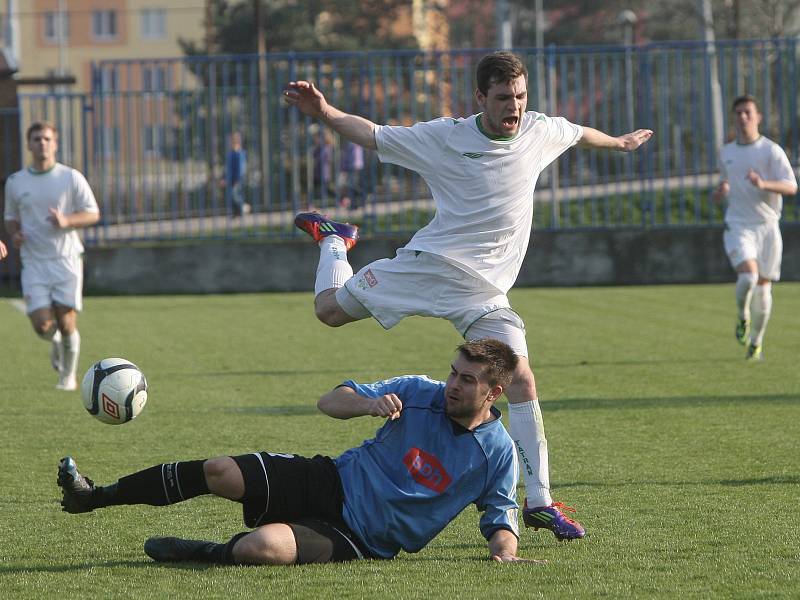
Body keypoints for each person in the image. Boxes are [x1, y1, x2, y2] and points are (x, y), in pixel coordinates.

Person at [284, 51, 654, 540]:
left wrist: (621, 142)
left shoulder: (538, 130)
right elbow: (372, 134)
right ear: (480, 97)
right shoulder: (445, 136)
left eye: (520, 96)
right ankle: (335, 238)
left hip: (483, 294)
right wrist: (327, 113)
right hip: (429, 266)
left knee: (520, 375)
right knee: (328, 311)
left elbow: (581, 132)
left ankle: (540, 501)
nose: (514, 107)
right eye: (503, 98)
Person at [57, 339, 547, 565]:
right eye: (453, 372)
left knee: (259, 548)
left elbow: (500, 517)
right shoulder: (418, 392)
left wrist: (506, 555)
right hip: (331, 479)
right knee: (219, 470)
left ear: (494, 393)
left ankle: (204, 553)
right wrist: (368, 404)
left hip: (363, 538)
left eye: (467, 380)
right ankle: (92, 496)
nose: (453, 386)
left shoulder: (496, 453)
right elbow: (329, 401)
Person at [3, 121, 100, 390]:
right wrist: (15, 234)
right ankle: (55, 342)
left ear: (55, 143)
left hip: (66, 259)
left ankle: (68, 378)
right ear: (28, 144)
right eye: (36, 139)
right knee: (42, 326)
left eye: (47, 139)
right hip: (34, 261)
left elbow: (93, 213)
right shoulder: (15, 182)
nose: (42, 143)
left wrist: (67, 220)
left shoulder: (71, 178)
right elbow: (11, 217)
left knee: (67, 322)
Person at [712, 95, 797, 361]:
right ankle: (742, 317)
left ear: (758, 116)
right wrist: (721, 191)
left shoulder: (771, 151)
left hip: (767, 226)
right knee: (748, 277)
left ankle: (756, 342)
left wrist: (763, 184)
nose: (743, 117)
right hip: (739, 225)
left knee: (763, 289)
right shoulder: (726, 152)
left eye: (748, 112)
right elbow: (725, 183)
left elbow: (791, 186)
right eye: (738, 113)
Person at [223, 131, 250, 217]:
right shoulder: (231, 153)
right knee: (232, 196)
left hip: (237, 179)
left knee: (234, 195)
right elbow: (228, 168)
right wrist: (224, 178)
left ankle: (244, 207)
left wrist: (237, 179)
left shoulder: (240, 153)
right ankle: (237, 213)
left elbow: (241, 168)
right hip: (231, 178)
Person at [337, 140, 365, 209]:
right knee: (353, 186)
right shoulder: (358, 143)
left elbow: (348, 156)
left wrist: (343, 167)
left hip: (353, 167)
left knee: (351, 186)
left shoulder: (351, 143)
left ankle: (356, 202)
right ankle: (357, 202)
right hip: (357, 166)